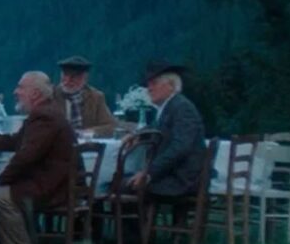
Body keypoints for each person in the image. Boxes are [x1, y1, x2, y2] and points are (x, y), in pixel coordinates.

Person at [0, 71, 75, 244]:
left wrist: (2, 179)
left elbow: (26, 156)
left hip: (54, 188)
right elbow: (16, 141)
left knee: (0, 197)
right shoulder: (47, 113)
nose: (15, 91)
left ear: (35, 94)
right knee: (6, 193)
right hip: (57, 183)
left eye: (20, 87)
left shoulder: (44, 117)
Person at [129, 61, 206, 197]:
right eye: (148, 84)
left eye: (154, 83)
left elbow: (180, 148)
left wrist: (149, 173)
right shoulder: (170, 107)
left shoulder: (182, 108)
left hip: (180, 180)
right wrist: (136, 136)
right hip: (172, 176)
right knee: (121, 181)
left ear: (171, 86)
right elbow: (155, 128)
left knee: (118, 184)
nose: (149, 89)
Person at [53, 55, 118, 136]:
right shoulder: (51, 96)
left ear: (85, 78)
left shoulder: (96, 97)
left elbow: (110, 126)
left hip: (86, 142)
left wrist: (89, 132)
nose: (68, 81)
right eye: (65, 76)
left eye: (73, 77)